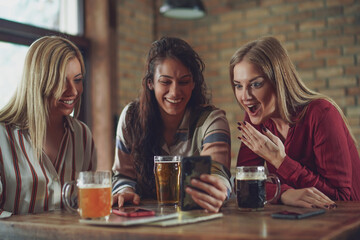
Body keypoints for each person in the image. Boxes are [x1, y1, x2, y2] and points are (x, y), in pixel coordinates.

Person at [230, 36, 360, 209]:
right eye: (238, 85)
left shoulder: (322, 113)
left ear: (279, 82)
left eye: (255, 84)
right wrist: (283, 193)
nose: (245, 96)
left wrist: (280, 160)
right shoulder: (255, 118)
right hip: (301, 221)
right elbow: (243, 183)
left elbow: (342, 198)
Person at [112, 36, 231, 213]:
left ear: (193, 84)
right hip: (144, 222)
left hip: (195, 222)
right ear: (150, 83)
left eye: (183, 82)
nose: (175, 92)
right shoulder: (131, 117)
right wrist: (125, 191)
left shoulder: (211, 120)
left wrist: (218, 189)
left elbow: (217, 171)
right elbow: (123, 175)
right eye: (165, 82)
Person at [0, 36, 97, 216]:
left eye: (77, 79)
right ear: (39, 81)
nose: (74, 91)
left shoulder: (82, 135)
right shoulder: (2, 136)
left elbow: (84, 205)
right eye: (61, 80)